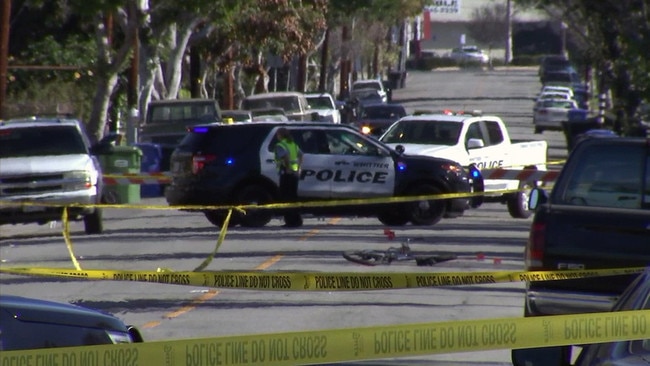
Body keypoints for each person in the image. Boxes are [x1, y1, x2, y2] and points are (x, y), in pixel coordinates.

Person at [274, 127, 304, 227]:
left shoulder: (280, 145)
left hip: (286, 174)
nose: (277, 136)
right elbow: (301, 155)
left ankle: (290, 221)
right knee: (293, 198)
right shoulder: (292, 144)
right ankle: (297, 220)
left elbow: (285, 157)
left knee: (286, 198)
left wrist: (287, 168)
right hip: (294, 173)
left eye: (278, 134)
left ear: (281, 135)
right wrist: (299, 168)